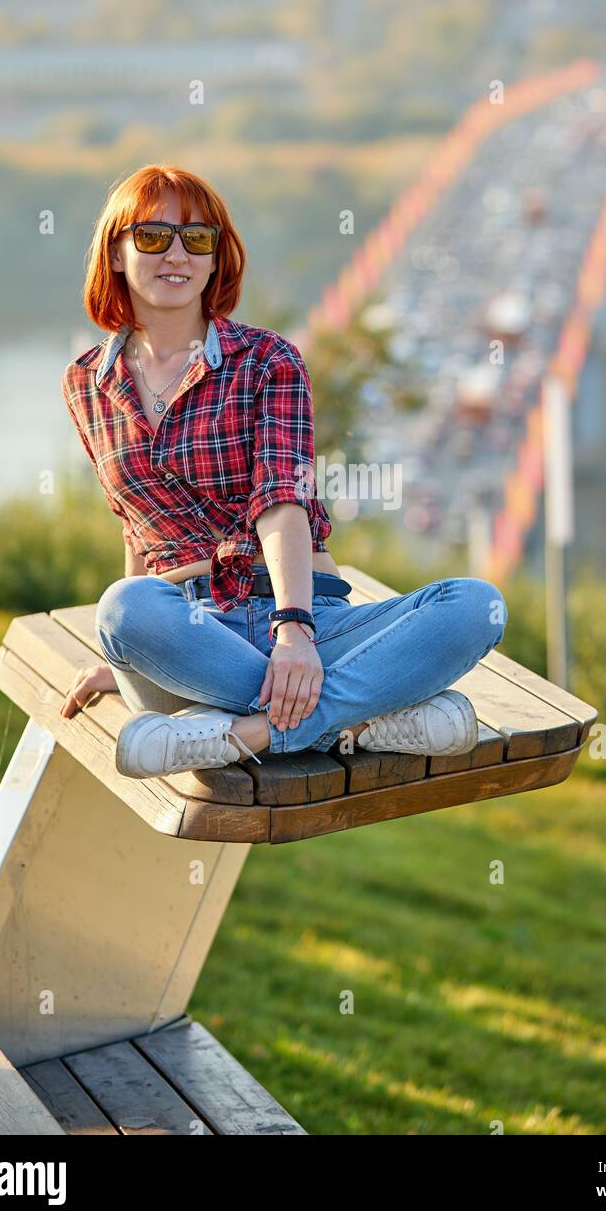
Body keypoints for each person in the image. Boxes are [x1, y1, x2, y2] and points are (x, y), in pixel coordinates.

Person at [59, 164, 507, 778]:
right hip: (192, 636)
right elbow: (136, 527)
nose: (177, 256)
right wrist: (125, 655)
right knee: (121, 609)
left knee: (475, 604)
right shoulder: (86, 384)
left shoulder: (268, 360)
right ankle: (356, 723)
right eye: (154, 237)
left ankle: (250, 732)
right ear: (115, 250)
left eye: (198, 240)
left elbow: (281, 500)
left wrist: (293, 629)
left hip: (307, 617)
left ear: (217, 260)